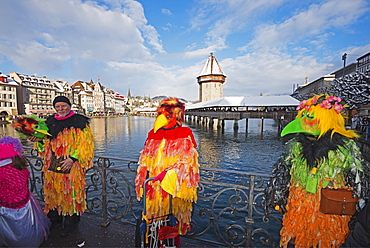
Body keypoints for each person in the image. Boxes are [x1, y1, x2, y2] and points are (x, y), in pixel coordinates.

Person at [264, 95, 370, 247]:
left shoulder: (346, 151)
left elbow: (361, 186)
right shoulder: (296, 147)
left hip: (329, 221)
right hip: (298, 215)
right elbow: (282, 173)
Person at [135, 98, 200, 245]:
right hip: (153, 188)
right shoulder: (153, 135)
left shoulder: (185, 135)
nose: (162, 119)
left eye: (168, 116)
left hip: (173, 190)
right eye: (160, 115)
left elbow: (188, 163)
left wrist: (169, 173)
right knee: (153, 221)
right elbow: (145, 158)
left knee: (171, 222)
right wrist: (141, 180)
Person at [28, 96, 95, 237]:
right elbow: (44, 145)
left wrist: (73, 158)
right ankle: (56, 220)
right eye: (57, 106)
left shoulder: (80, 122)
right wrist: (38, 140)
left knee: (71, 194)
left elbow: (86, 144)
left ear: (69, 106)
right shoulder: (49, 122)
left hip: (71, 167)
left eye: (63, 106)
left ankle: (71, 223)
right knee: (53, 192)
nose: (60, 109)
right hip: (52, 166)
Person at [0, 136, 51, 247]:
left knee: (12, 228)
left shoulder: (1, 171)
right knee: (27, 226)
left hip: (7, 205)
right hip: (25, 201)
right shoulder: (22, 168)